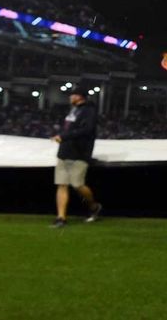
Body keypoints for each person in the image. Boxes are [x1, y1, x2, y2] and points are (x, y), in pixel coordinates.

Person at [50, 88, 102, 228]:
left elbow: (87, 130)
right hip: (65, 152)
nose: (70, 97)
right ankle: (61, 218)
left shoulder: (89, 111)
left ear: (80, 96)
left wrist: (63, 136)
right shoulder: (73, 110)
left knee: (77, 184)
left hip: (79, 153)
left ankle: (93, 206)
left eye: (72, 95)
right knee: (62, 184)